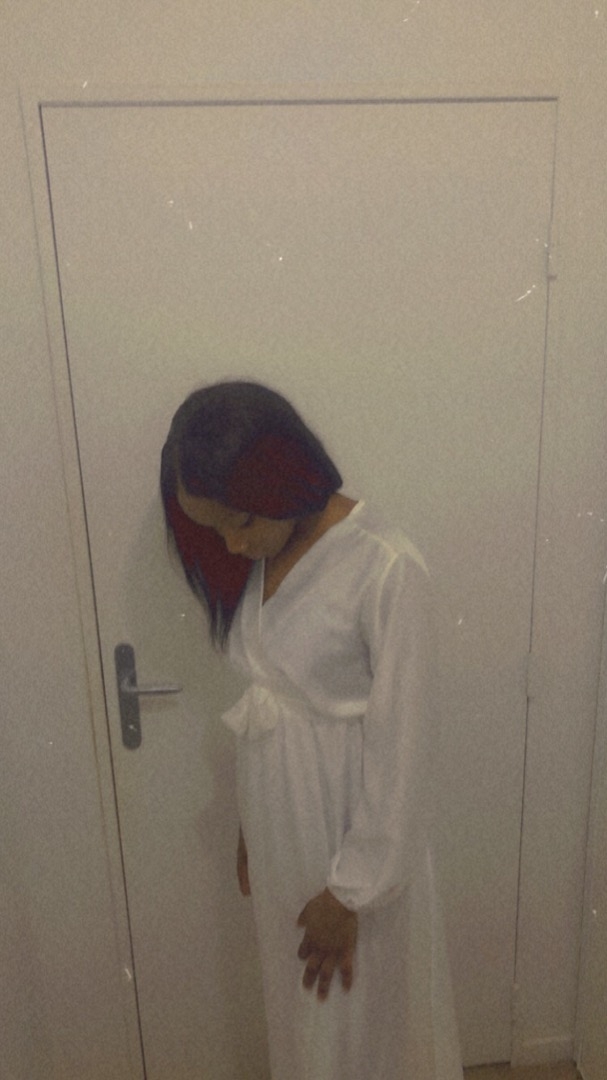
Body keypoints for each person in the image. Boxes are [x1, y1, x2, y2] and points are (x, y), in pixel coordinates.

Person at [160, 380, 463, 1080]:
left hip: (353, 843)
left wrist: (352, 891)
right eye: (214, 529)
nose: (232, 544)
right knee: (306, 1017)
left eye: (240, 520)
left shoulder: (385, 566)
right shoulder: (262, 554)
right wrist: (250, 823)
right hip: (284, 835)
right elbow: (275, 706)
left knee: (363, 1022)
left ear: (284, 475)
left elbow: (404, 751)